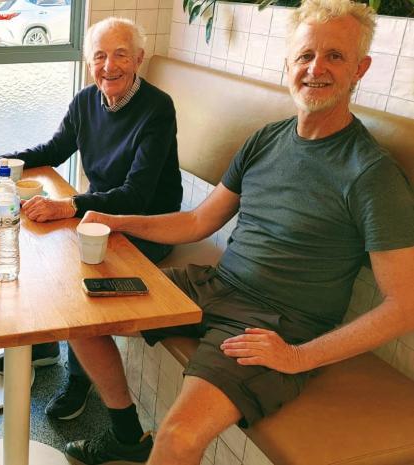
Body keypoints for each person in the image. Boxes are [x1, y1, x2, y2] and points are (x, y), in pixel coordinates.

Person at [64, 1, 414, 464]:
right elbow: (197, 222)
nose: (316, 69)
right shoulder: (267, 139)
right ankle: (127, 435)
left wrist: (297, 357)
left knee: (178, 438)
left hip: (276, 323)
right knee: (80, 310)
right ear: (288, 64)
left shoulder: (371, 174)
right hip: (215, 286)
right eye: (306, 56)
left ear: (360, 69)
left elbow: (404, 306)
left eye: (335, 56)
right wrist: (114, 221)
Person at [0, 17, 182, 421]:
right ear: (89, 63)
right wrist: (4, 162)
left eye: (121, 54)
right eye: (99, 56)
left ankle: (79, 375)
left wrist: (68, 207)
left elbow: (137, 195)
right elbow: (54, 148)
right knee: (38, 241)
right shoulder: (87, 100)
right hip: (98, 216)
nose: (109, 66)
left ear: (138, 58)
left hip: (144, 225)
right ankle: (47, 344)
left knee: (70, 268)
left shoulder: (157, 108)